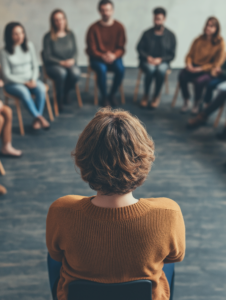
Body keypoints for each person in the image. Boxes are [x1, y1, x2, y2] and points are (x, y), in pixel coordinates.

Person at [46, 108, 186, 300]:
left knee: (55, 257)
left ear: (83, 158)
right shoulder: (168, 212)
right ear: (143, 158)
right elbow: (175, 257)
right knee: (165, 260)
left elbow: (55, 255)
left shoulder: (61, 209)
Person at [0, 22, 50, 130]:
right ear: (9, 36)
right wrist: (24, 82)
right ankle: (39, 117)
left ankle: (37, 118)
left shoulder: (29, 45)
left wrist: (33, 79)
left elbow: (35, 66)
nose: (20, 36)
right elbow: (7, 75)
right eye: (16, 34)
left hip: (31, 80)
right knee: (23, 91)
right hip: (13, 83)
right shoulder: (3, 52)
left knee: (41, 88)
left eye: (22, 32)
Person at [179, 17, 225, 114]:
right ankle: (186, 99)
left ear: (216, 28)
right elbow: (189, 55)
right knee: (182, 75)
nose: (208, 27)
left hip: (207, 70)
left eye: (211, 26)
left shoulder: (220, 43)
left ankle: (196, 102)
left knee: (199, 81)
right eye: (207, 25)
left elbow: (217, 63)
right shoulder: (198, 39)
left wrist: (200, 69)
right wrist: (189, 64)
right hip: (194, 66)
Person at [86, 0, 126, 107]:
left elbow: (121, 47)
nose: (105, 13)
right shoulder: (93, 28)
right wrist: (102, 56)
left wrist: (113, 55)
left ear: (112, 10)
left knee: (120, 69)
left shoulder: (119, 27)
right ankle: (104, 97)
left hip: (114, 57)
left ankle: (112, 94)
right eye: (103, 10)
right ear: (99, 11)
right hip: (97, 58)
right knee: (101, 69)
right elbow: (92, 49)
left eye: (107, 10)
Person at [137, 7, 176, 109]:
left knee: (161, 70)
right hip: (147, 60)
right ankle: (146, 94)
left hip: (162, 61)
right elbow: (139, 48)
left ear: (164, 19)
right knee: (150, 69)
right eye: (155, 19)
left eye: (159, 19)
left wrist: (161, 60)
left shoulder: (170, 35)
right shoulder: (147, 33)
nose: (157, 21)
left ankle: (156, 96)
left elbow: (172, 55)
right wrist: (147, 57)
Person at [43, 9, 80, 112]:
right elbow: (47, 56)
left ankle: (65, 93)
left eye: (62, 19)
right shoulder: (48, 37)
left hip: (69, 63)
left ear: (65, 20)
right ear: (53, 22)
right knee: (62, 73)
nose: (60, 22)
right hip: (54, 64)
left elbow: (75, 51)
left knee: (76, 73)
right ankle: (59, 100)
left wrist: (73, 60)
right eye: (56, 20)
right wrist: (61, 63)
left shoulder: (70, 34)